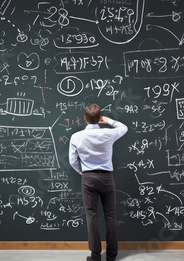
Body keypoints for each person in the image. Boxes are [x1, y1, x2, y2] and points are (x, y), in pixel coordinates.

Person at [69, 103, 128, 261]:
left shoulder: (76, 136)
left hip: (88, 178)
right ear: (99, 117)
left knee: (92, 216)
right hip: (107, 177)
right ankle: (111, 256)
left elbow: (72, 161)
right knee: (110, 216)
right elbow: (124, 128)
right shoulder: (109, 134)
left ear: (85, 118)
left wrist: (84, 172)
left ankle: (95, 256)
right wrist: (109, 121)